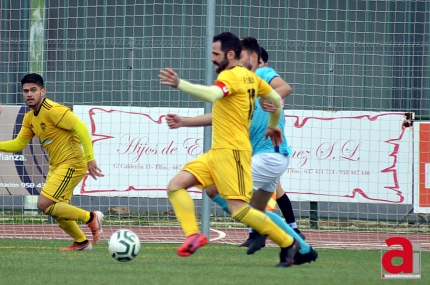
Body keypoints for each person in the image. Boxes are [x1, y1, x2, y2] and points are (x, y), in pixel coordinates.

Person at [165, 37, 317, 265]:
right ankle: (194, 235)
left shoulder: (231, 76)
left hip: (235, 152)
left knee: (239, 209)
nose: (212, 58)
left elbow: (211, 95)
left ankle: (288, 243)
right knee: (176, 185)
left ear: (230, 55)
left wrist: (180, 84)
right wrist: (273, 125)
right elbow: (274, 97)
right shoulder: (250, 78)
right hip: (219, 151)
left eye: (216, 54)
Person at [0, 73, 104, 251]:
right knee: (56, 208)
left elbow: (81, 128)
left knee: (44, 204)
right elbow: (19, 143)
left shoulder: (53, 110)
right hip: (57, 166)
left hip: (72, 163)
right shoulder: (30, 118)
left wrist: (90, 158)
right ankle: (81, 242)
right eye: (26, 91)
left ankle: (91, 217)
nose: (29, 94)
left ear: (43, 91)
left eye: (34, 90)